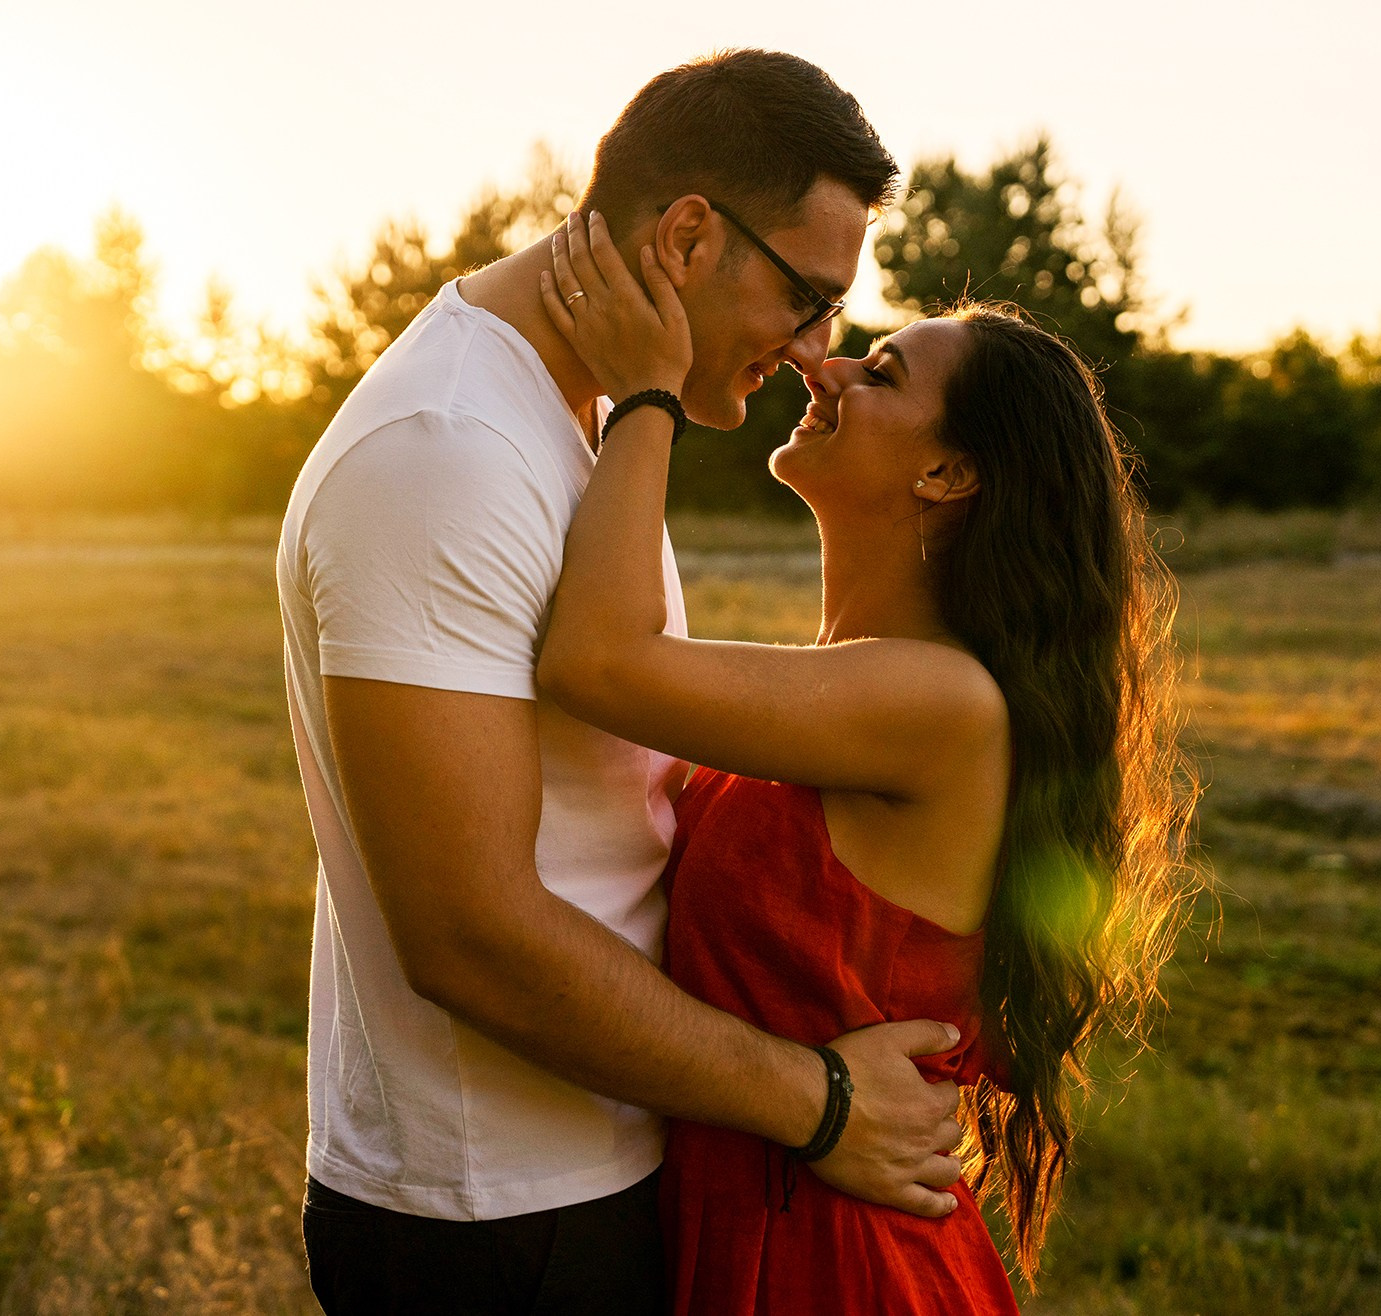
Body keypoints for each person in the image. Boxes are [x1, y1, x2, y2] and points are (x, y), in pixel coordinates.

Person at [278, 50, 972, 1315]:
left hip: (604, 1165)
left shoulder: (575, 421)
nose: (815, 347)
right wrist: (816, 1099)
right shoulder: (451, 450)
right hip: (503, 1217)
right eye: (807, 298)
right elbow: (466, 932)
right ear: (692, 235)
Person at [534, 210, 1200, 1311]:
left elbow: (596, 662)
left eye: (880, 370)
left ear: (944, 470)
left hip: (834, 1266)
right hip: (760, 1221)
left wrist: (643, 391)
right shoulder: (855, 680)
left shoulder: (932, 699)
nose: (827, 363)